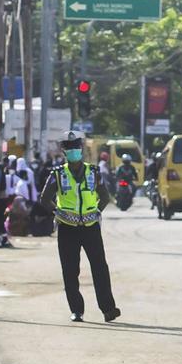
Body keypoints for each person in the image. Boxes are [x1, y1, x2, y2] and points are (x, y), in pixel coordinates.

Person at [42, 131, 121, 323]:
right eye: (70, 149)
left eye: (77, 148)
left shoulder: (93, 172)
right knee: (70, 270)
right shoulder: (58, 174)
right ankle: (77, 310)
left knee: (100, 268)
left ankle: (108, 309)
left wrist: (97, 211)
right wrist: (58, 213)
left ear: (81, 150)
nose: (74, 152)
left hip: (90, 226)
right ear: (65, 152)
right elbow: (45, 199)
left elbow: (105, 196)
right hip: (67, 228)